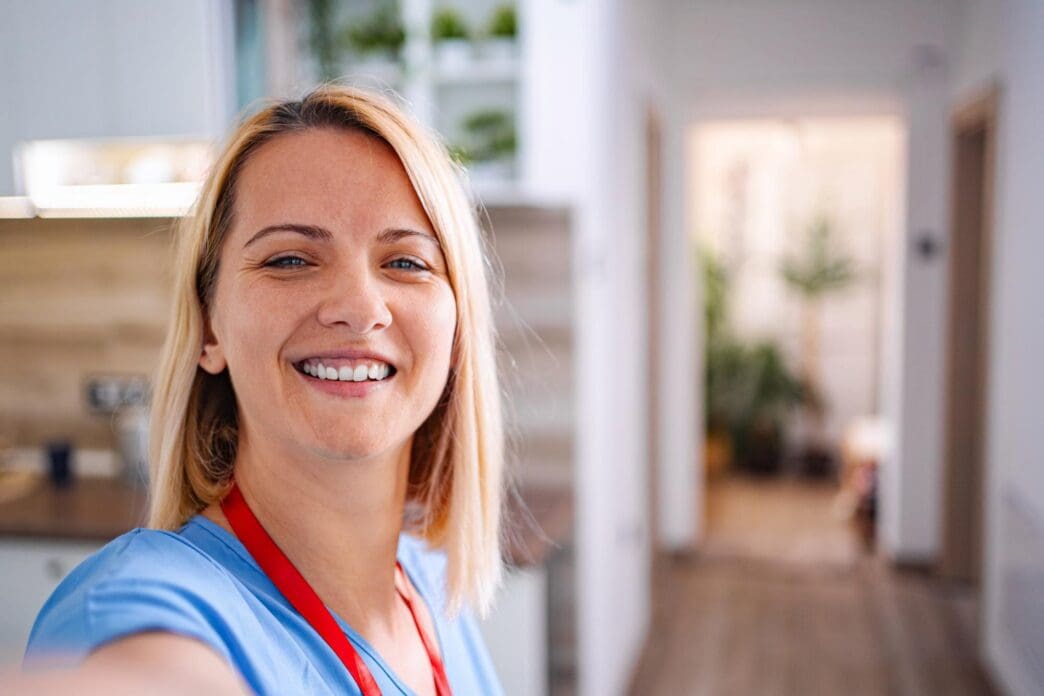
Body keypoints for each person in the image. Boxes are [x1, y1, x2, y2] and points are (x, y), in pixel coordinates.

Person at [17, 84, 507, 695]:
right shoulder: (145, 609)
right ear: (209, 327)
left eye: (406, 263)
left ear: (457, 323)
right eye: (290, 260)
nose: (359, 308)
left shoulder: (432, 588)